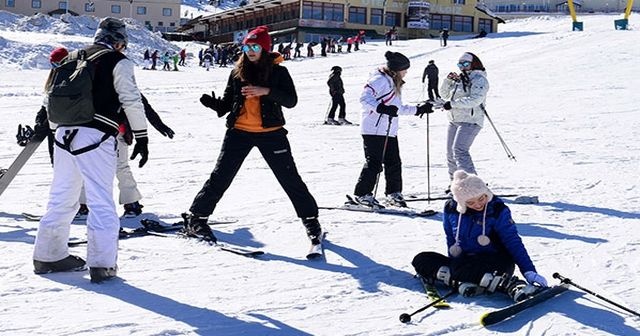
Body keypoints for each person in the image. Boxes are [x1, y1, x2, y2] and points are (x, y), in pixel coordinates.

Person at [33, 17, 148, 283]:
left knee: (61, 196)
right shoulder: (118, 61)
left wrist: (55, 132)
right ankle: (102, 264)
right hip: (95, 136)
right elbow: (131, 99)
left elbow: (51, 97)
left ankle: (48, 255)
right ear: (120, 42)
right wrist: (141, 135)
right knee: (100, 199)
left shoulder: (71, 57)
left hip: (63, 133)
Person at [189, 25, 323, 246]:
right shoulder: (236, 72)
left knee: (289, 178)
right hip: (238, 133)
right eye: (247, 46)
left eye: (255, 46)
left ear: (264, 48)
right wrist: (213, 104)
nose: (250, 50)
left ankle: (310, 219)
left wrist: (266, 91)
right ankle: (197, 218)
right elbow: (226, 105)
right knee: (221, 176)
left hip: (271, 134)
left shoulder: (279, 72)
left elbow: (291, 101)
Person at [411, 170, 548, 302]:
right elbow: (451, 239)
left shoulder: (497, 210)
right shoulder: (451, 210)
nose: (478, 204)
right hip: (467, 260)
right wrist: (455, 263)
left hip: (496, 262)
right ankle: (465, 279)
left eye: (481, 198)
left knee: (464, 269)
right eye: (470, 202)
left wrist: (529, 271)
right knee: (421, 259)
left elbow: (513, 242)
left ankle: (511, 285)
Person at [352, 51, 433, 208]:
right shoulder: (380, 80)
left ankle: (393, 193)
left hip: (389, 130)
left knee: (394, 163)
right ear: (397, 69)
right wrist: (380, 108)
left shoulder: (392, 82)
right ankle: (362, 195)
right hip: (373, 129)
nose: (406, 73)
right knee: (374, 164)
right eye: (405, 69)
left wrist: (419, 109)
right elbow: (364, 98)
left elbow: (397, 109)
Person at [439, 52, 489, 187]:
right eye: (460, 64)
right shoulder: (460, 78)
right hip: (454, 119)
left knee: (460, 151)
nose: (462, 67)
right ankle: (455, 184)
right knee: (450, 154)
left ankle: (473, 186)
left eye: (465, 64)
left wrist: (453, 104)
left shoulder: (479, 79)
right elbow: (444, 95)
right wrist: (448, 81)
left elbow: (475, 99)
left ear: (473, 64)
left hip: (471, 120)